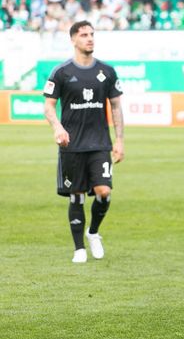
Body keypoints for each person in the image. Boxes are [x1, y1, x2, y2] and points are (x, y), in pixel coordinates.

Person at [42, 20, 124, 263]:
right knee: (76, 196)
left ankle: (94, 232)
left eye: (92, 34)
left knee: (104, 192)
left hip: (100, 143)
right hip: (72, 146)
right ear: (73, 40)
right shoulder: (62, 72)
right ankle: (79, 248)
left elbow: (117, 106)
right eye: (84, 35)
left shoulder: (107, 71)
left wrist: (119, 140)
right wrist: (57, 127)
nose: (90, 38)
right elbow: (48, 106)